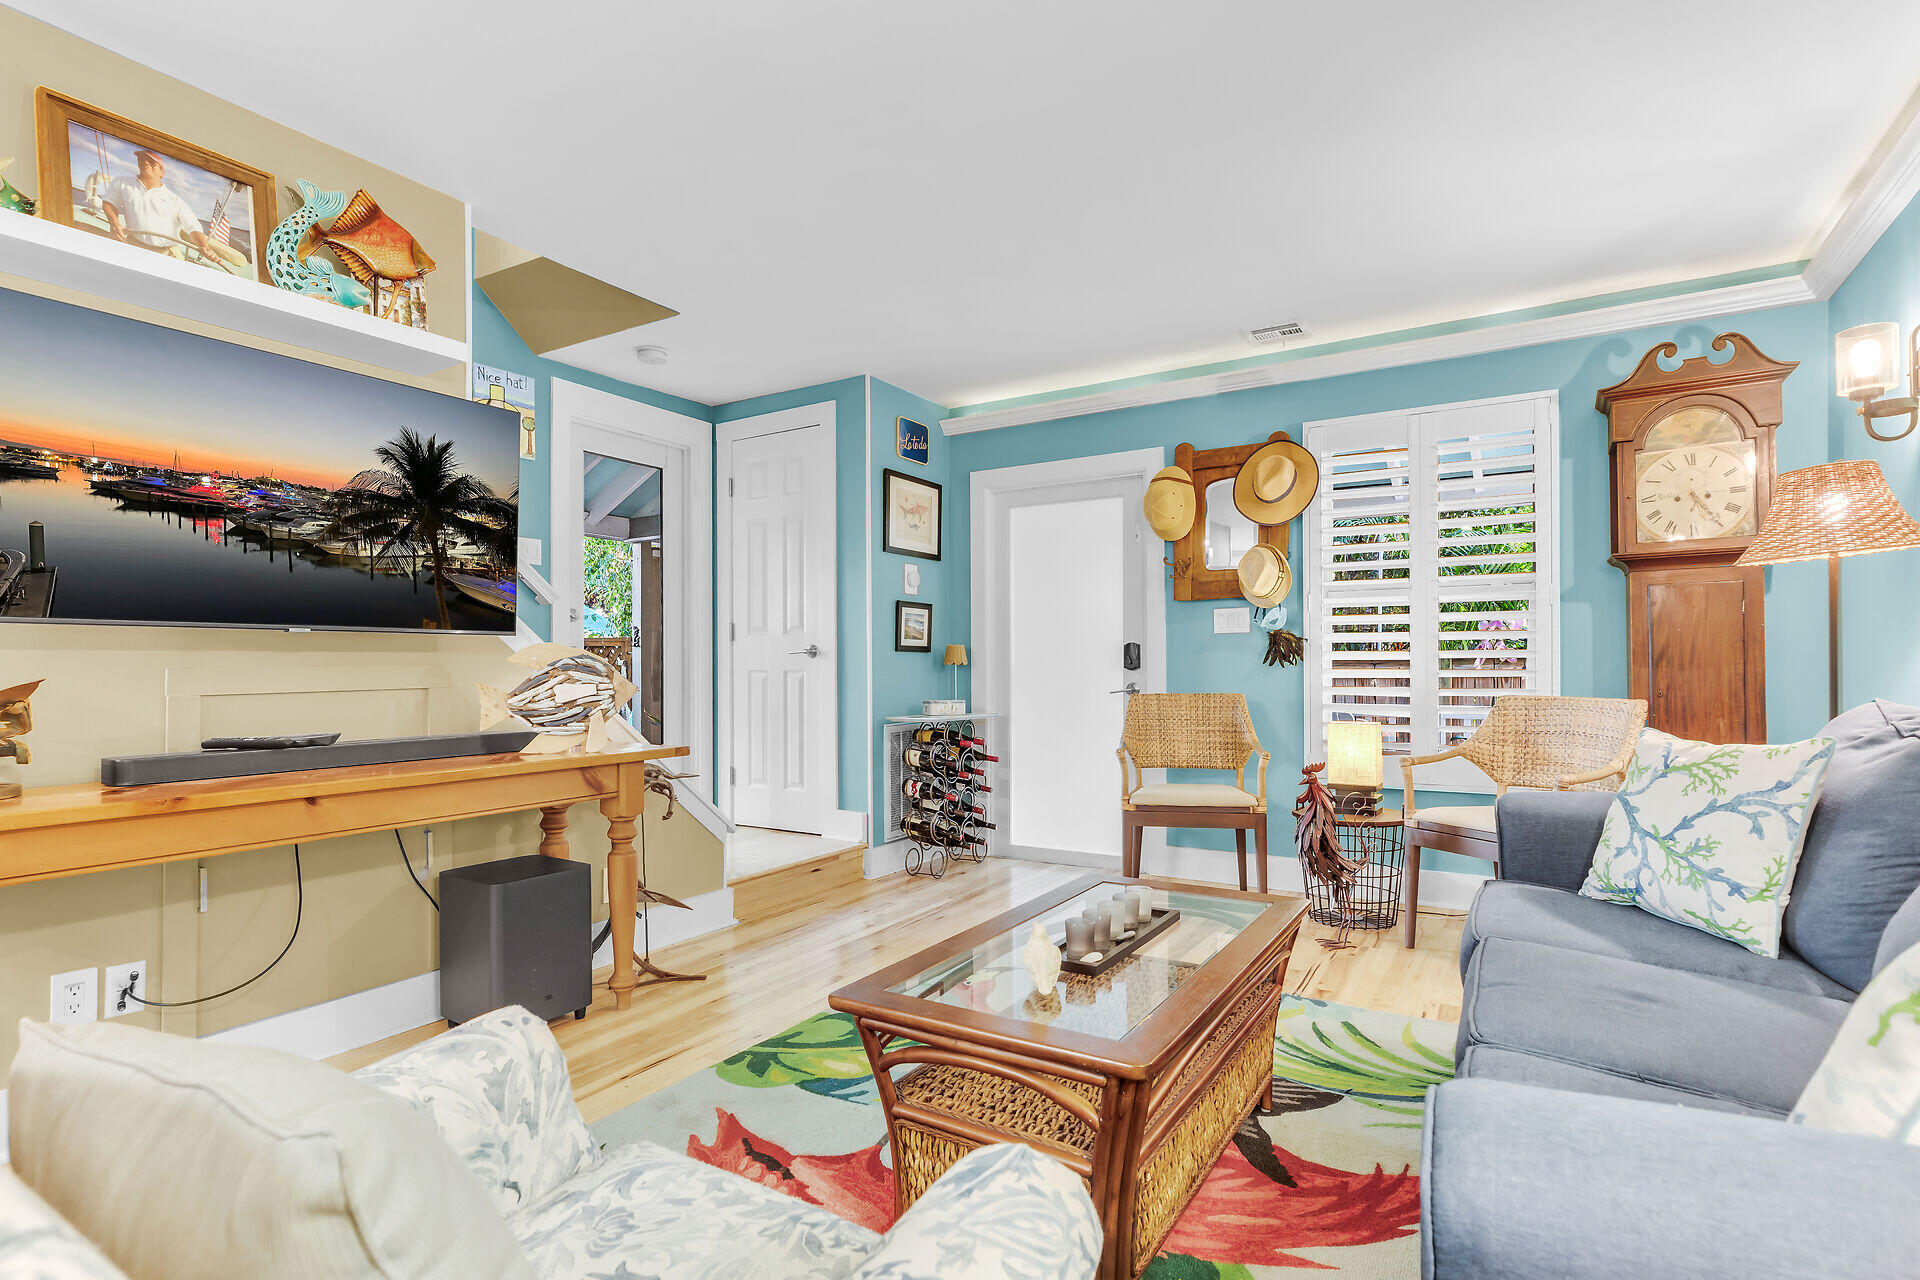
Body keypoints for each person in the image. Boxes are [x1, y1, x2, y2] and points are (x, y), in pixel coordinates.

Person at [99, 149, 215, 262]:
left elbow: (193, 227)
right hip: (132, 245)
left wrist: (205, 247)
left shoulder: (174, 200)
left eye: (152, 162)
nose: (145, 162)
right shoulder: (122, 183)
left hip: (166, 254)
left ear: (162, 172)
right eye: (142, 159)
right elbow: (109, 202)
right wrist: (115, 223)